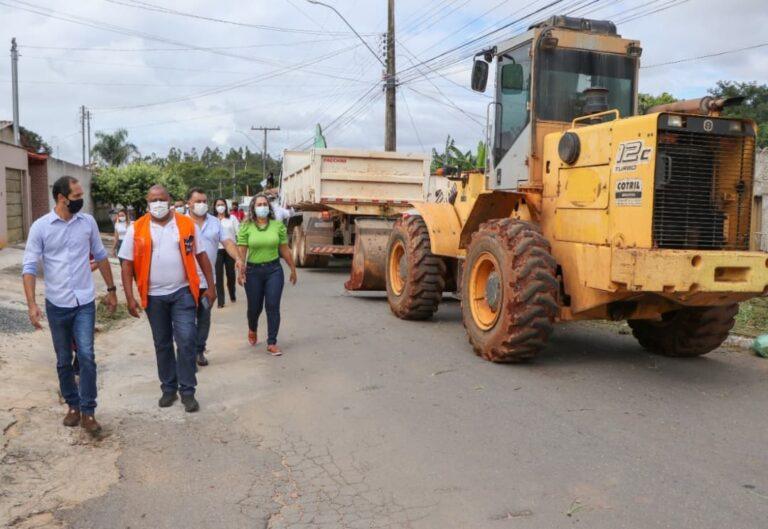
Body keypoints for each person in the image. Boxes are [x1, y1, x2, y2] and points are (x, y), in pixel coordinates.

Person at [22, 176, 117, 435]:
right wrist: (32, 304)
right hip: (57, 304)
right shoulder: (41, 227)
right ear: (61, 198)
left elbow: (100, 255)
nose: (80, 200)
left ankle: (88, 411)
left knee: (86, 356)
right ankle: (73, 406)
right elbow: (29, 267)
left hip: (84, 301)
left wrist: (111, 290)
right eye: (76, 196)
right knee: (64, 360)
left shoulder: (87, 223)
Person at [119, 185, 216, 413]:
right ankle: (168, 388)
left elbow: (201, 257)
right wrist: (130, 297)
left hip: (183, 292)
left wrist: (211, 287)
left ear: (170, 200)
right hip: (153, 297)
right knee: (162, 343)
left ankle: (188, 391)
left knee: (186, 340)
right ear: (147, 202)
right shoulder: (137, 228)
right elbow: (126, 264)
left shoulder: (185, 224)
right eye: (154, 199)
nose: (158, 203)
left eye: (162, 199)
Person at [186, 189, 243, 366]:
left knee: (203, 318)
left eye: (204, 200)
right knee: (185, 321)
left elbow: (227, 242)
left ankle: (199, 350)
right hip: (185, 282)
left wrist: (239, 258)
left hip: (207, 282)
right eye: (197, 201)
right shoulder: (180, 222)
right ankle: (186, 353)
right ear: (189, 203)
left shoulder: (215, 223)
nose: (201, 204)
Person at [237, 193, 297, 356]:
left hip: (274, 271)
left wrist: (292, 268)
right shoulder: (246, 226)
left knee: (272, 306)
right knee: (254, 308)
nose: (262, 207)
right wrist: (240, 270)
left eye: (265, 204)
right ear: (253, 208)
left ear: (269, 207)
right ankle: (252, 328)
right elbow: (242, 251)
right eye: (259, 205)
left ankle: (272, 342)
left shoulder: (277, 226)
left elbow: (284, 249)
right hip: (253, 272)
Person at [214, 198, 240, 308]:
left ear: (226, 206)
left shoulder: (232, 219)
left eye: (222, 204)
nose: (220, 206)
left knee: (231, 274)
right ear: (214, 207)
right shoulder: (212, 220)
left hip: (230, 249)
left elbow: (239, 233)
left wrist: (239, 250)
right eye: (218, 204)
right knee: (218, 275)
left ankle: (232, 293)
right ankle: (220, 301)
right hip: (217, 250)